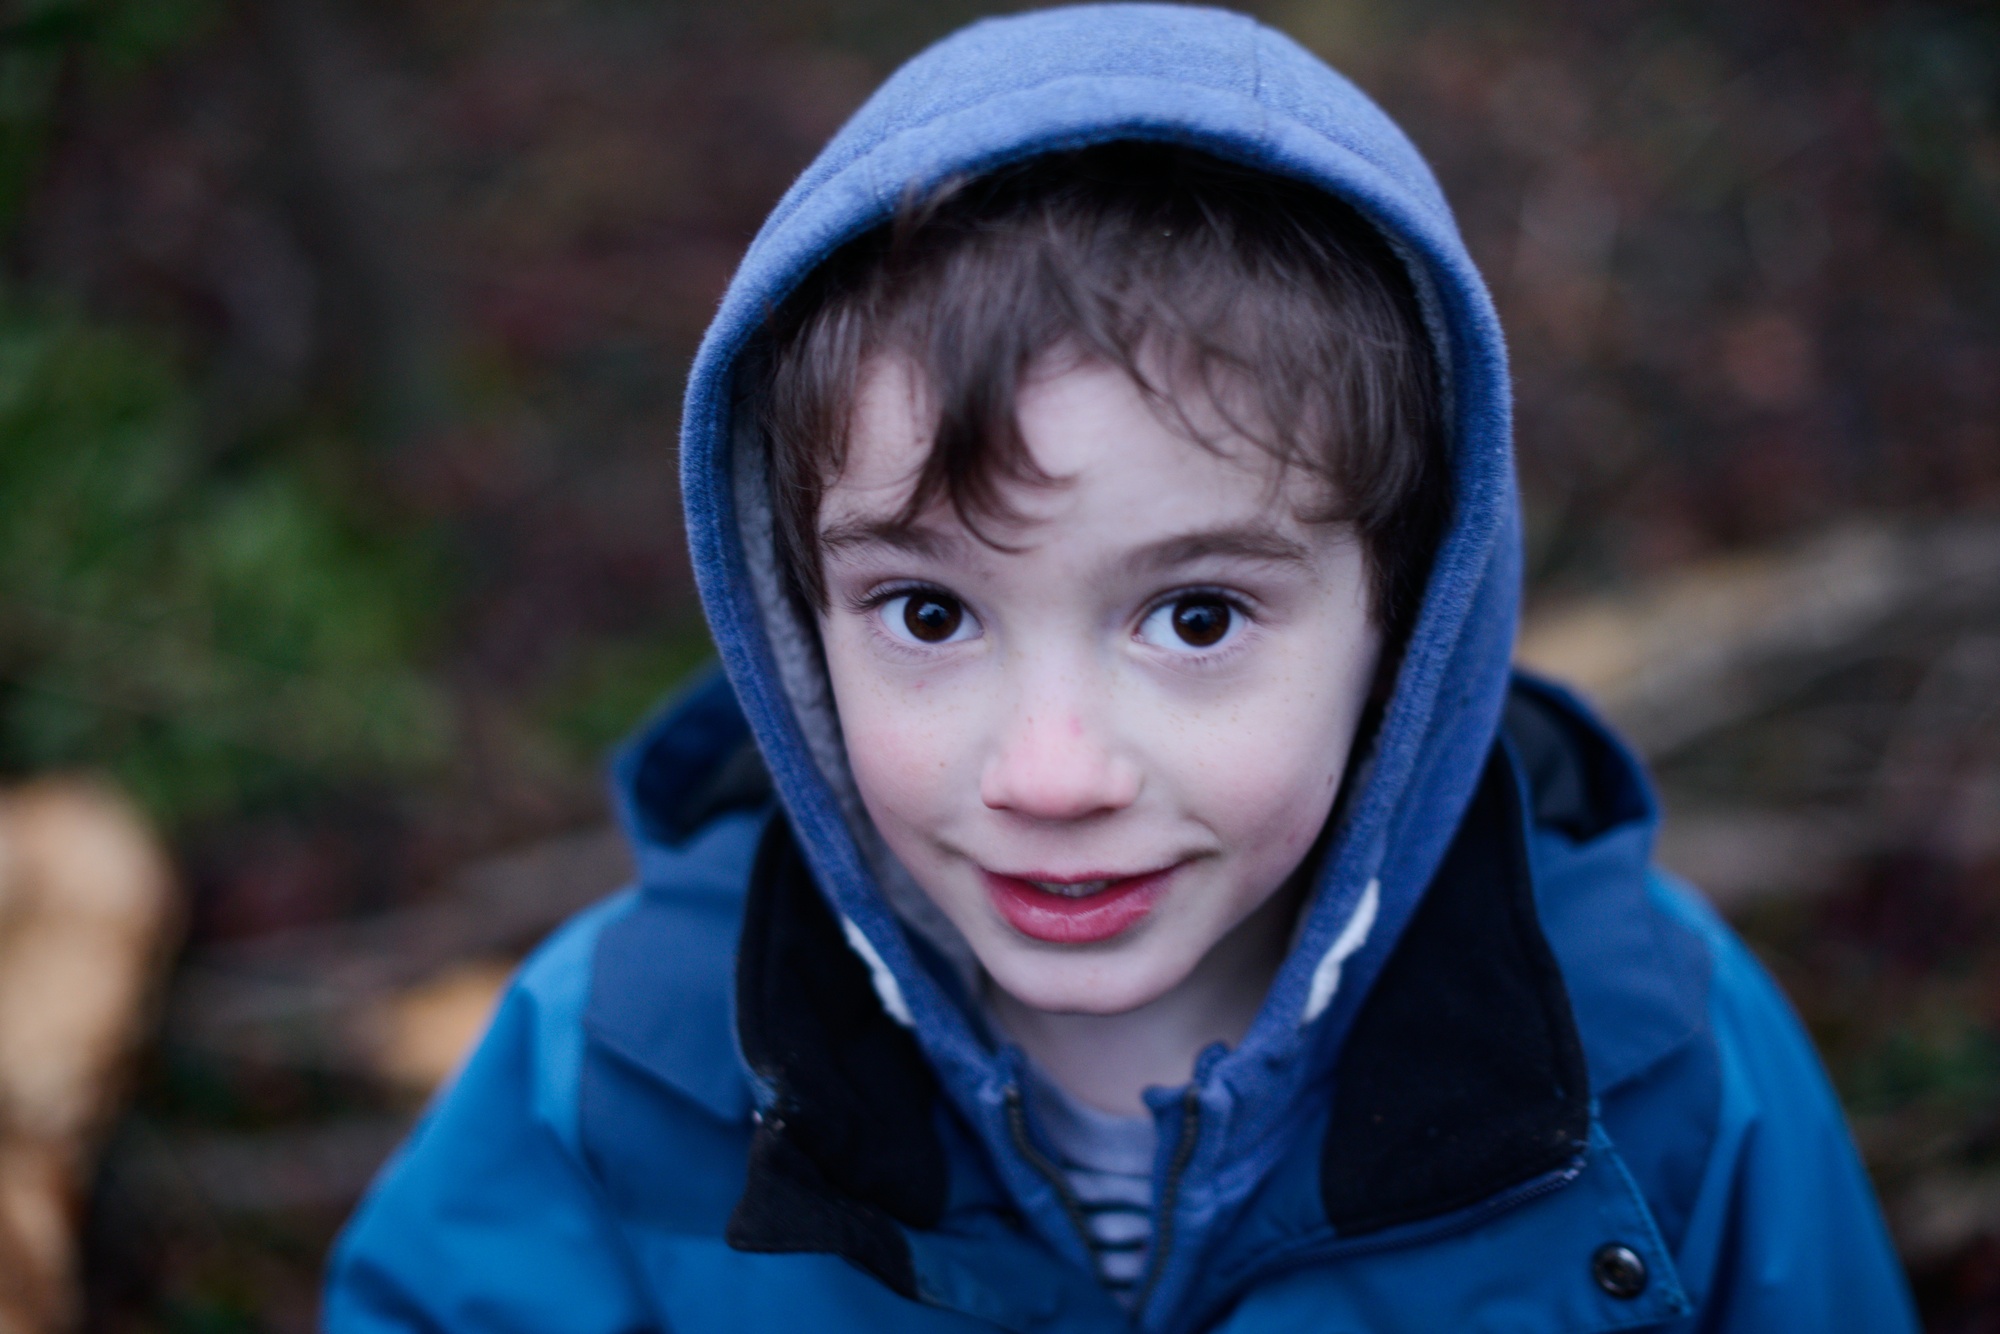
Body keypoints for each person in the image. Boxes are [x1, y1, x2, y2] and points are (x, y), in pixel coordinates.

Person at [322, 6, 1918, 1330]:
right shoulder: (621, 1061)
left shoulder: (1653, 1055)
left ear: (1406, 622)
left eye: (1198, 617)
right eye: (928, 613)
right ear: (795, 616)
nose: (1054, 772)